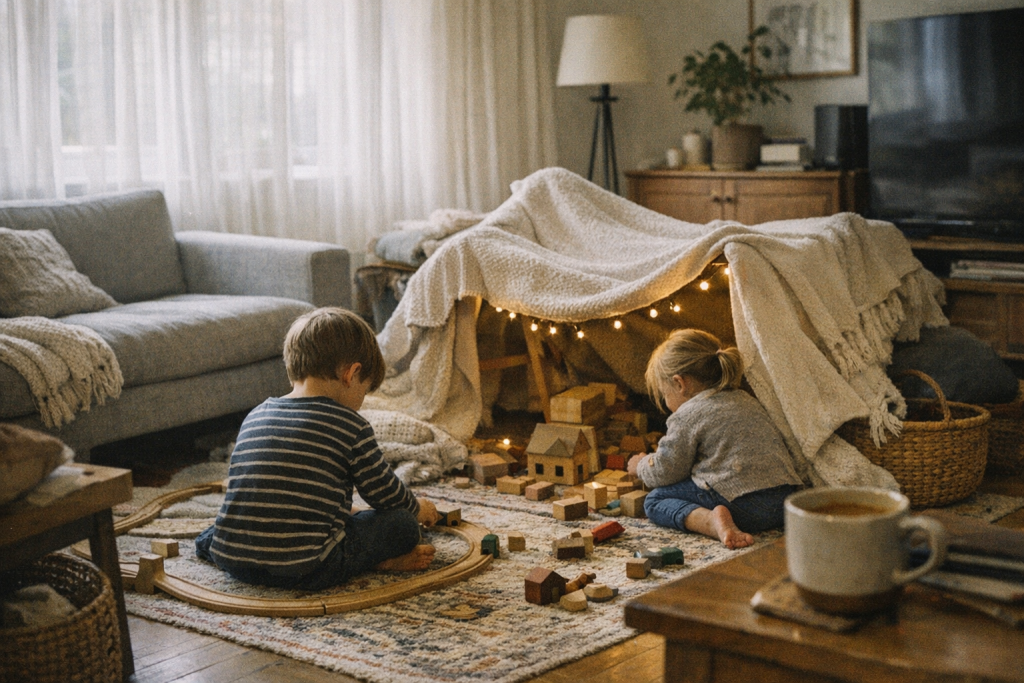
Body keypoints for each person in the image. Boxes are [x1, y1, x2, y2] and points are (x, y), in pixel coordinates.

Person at [195, 307, 439, 589]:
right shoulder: (351, 426)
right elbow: (385, 494)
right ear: (352, 374)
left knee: (236, 523)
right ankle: (377, 561)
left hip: (235, 563)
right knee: (402, 524)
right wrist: (416, 508)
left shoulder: (255, 415)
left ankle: (218, 545)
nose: (361, 401)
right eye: (364, 390)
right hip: (310, 569)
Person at [627, 329, 803, 549]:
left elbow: (666, 470)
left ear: (680, 383)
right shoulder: (745, 398)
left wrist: (641, 465)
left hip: (745, 507)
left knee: (655, 500)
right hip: (784, 504)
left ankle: (711, 521)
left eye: (664, 394)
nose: (667, 402)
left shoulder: (688, 414)